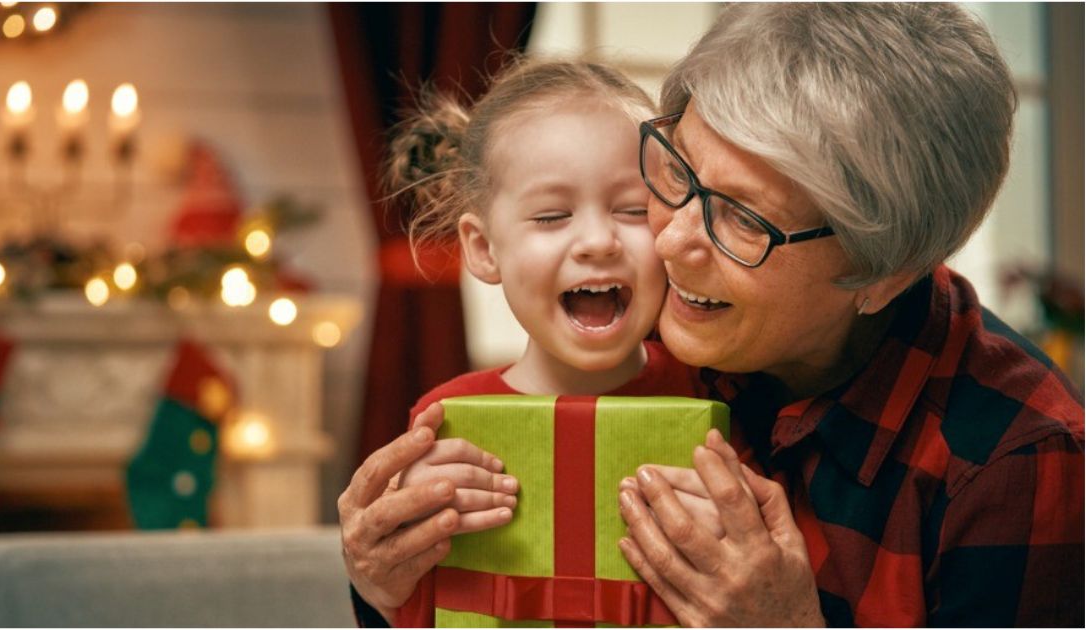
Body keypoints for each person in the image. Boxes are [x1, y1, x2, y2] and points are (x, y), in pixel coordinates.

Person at [340, 4, 1085, 627]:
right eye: (675, 173)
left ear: (880, 272)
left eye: (743, 221)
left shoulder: (1018, 464)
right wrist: (383, 585)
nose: (668, 240)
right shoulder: (646, 341)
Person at [383, 58, 720, 626]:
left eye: (634, 210)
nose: (596, 241)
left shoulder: (718, 395)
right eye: (552, 216)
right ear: (485, 250)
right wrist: (407, 553)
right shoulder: (444, 424)